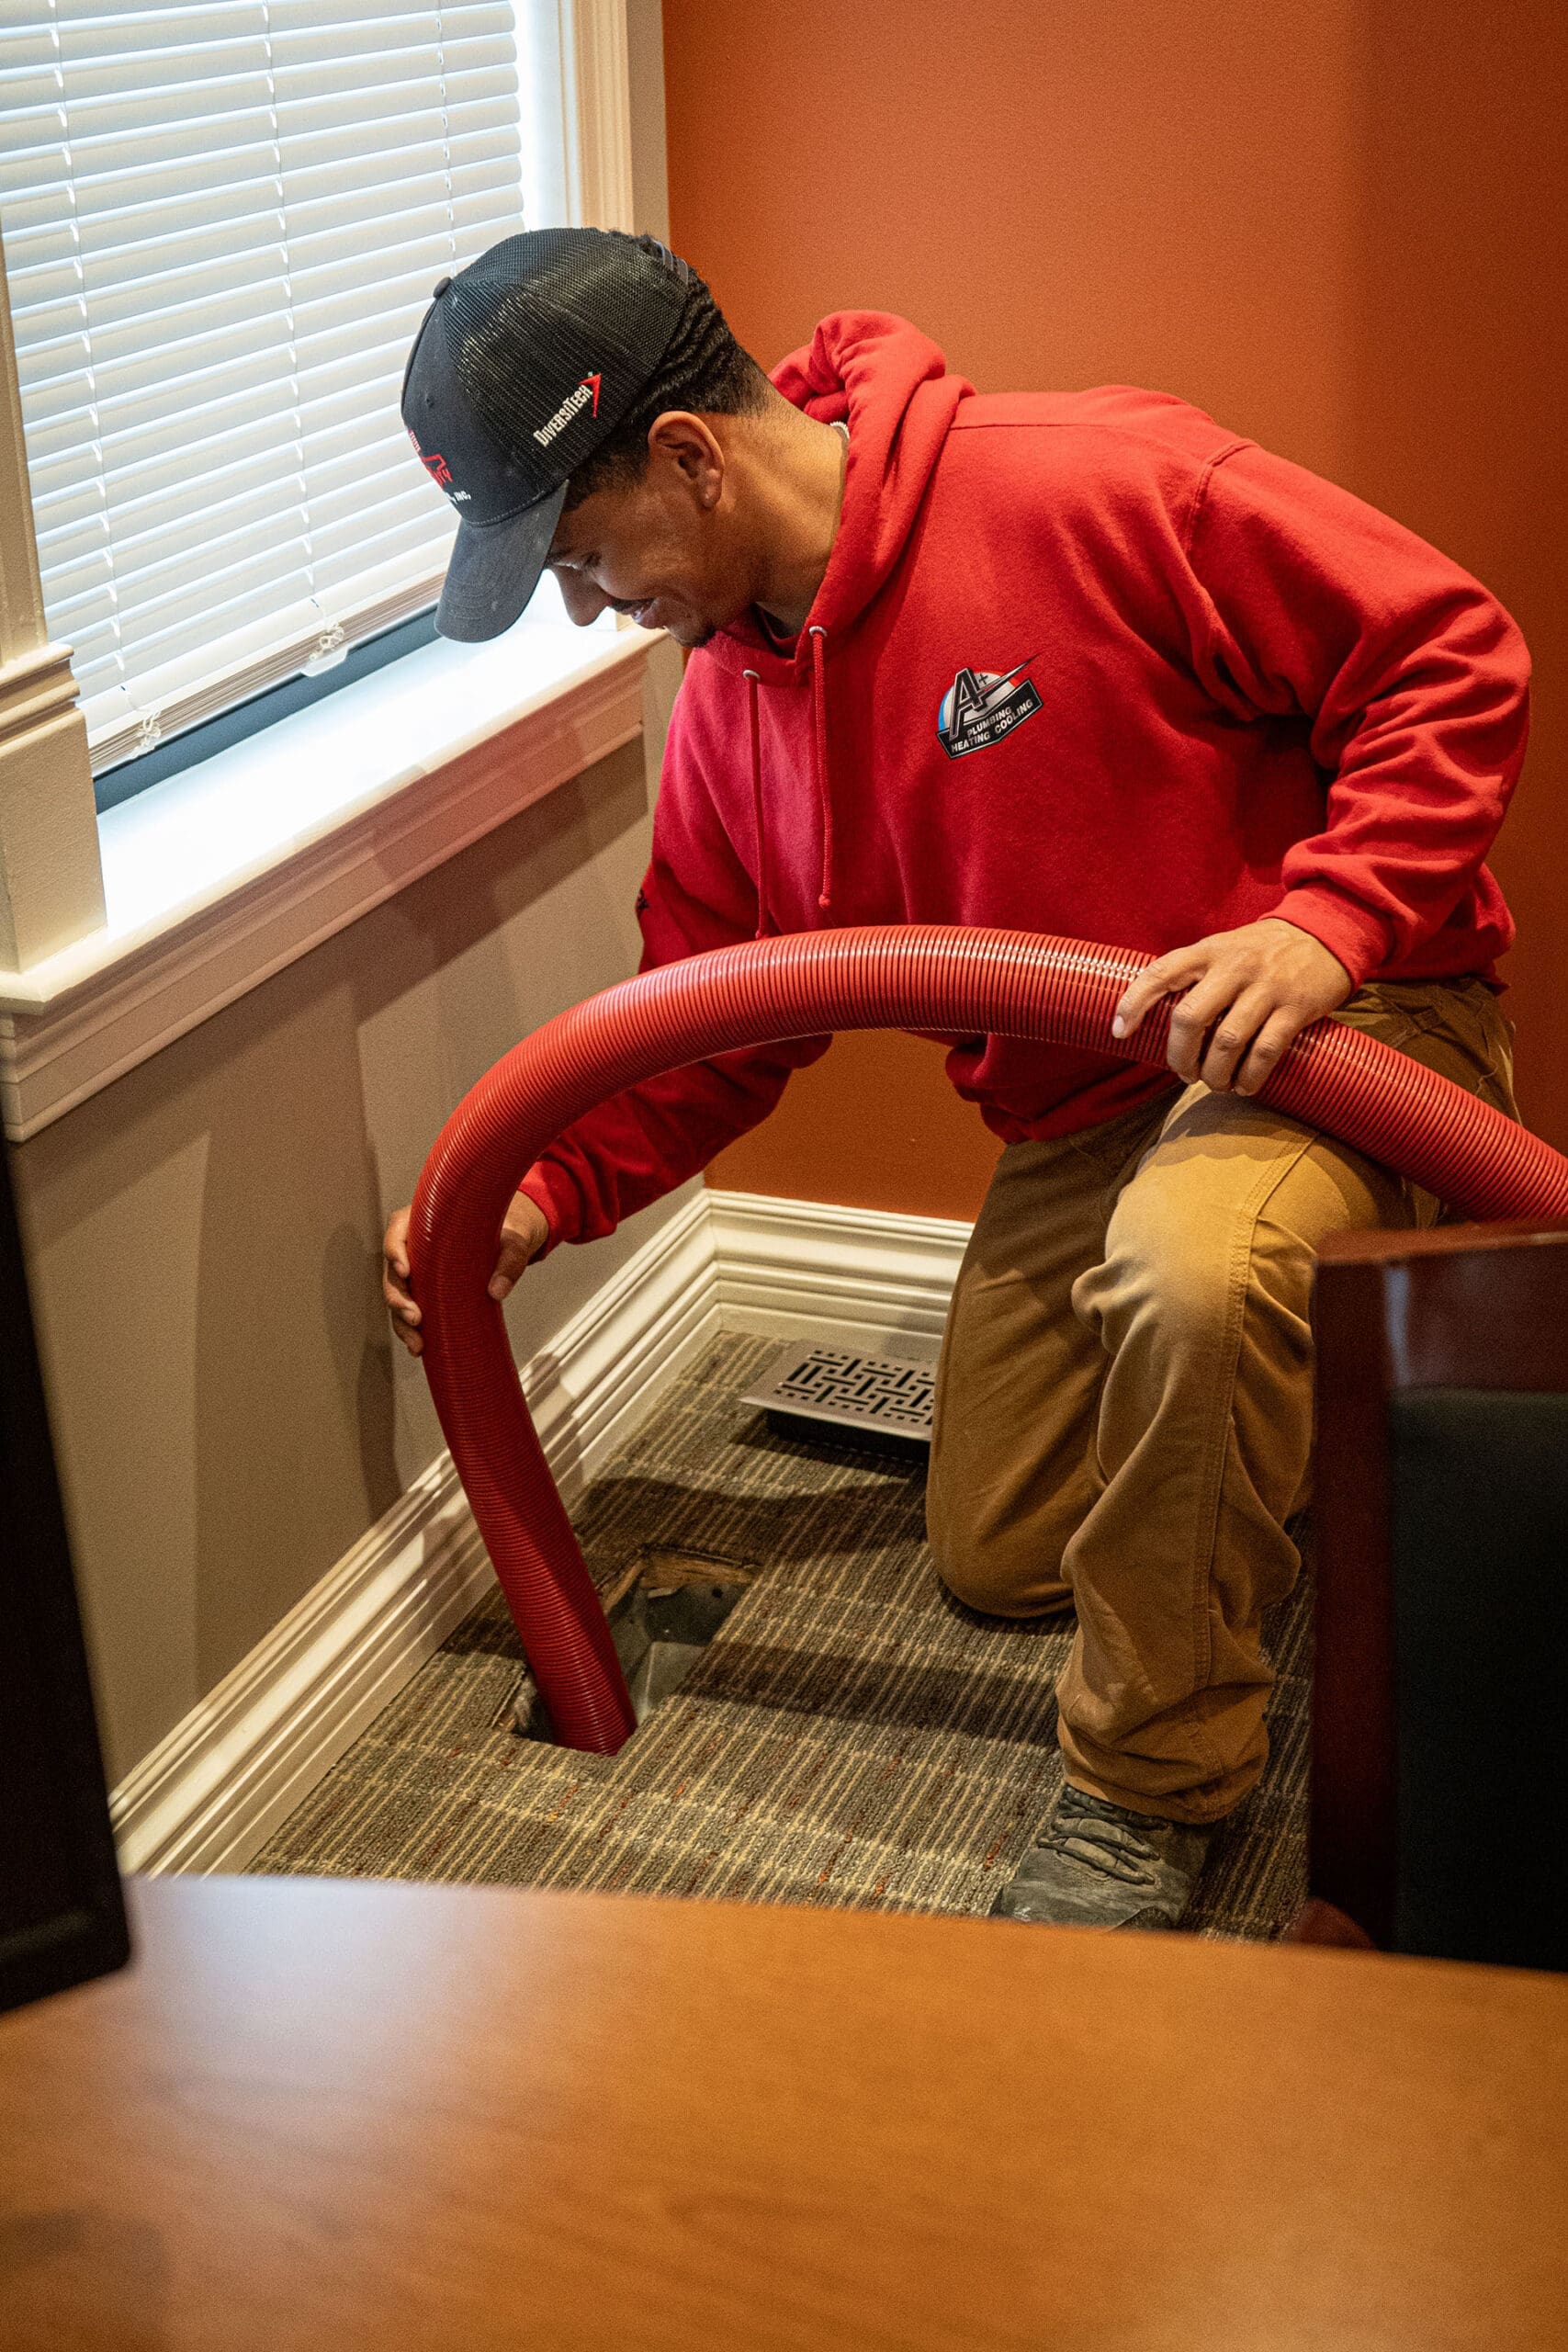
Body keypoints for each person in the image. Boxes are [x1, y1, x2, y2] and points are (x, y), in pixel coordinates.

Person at [385, 228, 1528, 1930]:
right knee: (1001, 1554)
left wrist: (1328, 922)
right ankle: (1298, 1426)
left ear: (689, 457)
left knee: (1194, 1281)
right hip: (1089, 1104)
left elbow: (1449, 648)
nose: (579, 605)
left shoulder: (1098, 487)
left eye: (579, 549)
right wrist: (542, 1195)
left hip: (1330, 1039)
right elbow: (715, 1015)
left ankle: (1146, 1798)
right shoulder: (723, 704)